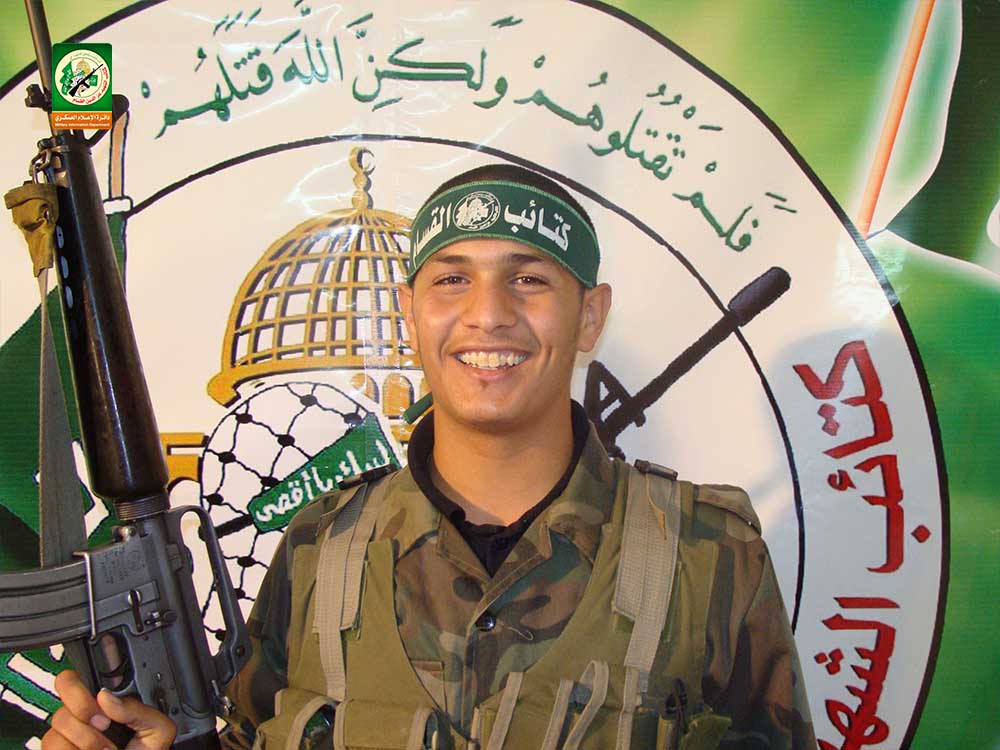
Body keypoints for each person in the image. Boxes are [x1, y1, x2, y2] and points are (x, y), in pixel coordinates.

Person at [42, 164, 815, 750]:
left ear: (589, 317)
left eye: (529, 279)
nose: (489, 313)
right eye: (452, 279)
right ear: (411, 316)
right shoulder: (319, 547)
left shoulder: (709, 555)